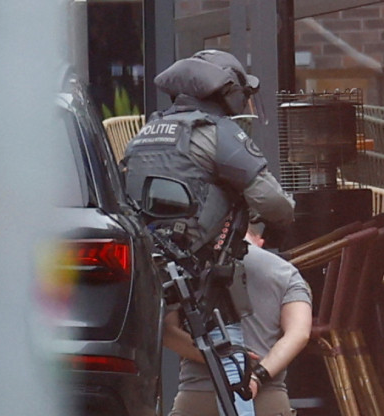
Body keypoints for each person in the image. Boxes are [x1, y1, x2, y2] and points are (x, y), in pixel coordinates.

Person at [122, 49, 295, 416]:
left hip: (151, 268)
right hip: (204, 273)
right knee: (232, 365)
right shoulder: (217, 132)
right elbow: (273, 203)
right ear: (226, 90)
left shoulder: (145, 133)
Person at [164, 223, 313, 416]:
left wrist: (219, 356)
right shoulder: (286, 272)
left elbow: (166, 332)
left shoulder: (186, 268)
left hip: (198, 397)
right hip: (267, 400)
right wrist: (257, 376)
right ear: (259, 240)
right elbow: (299, 333)